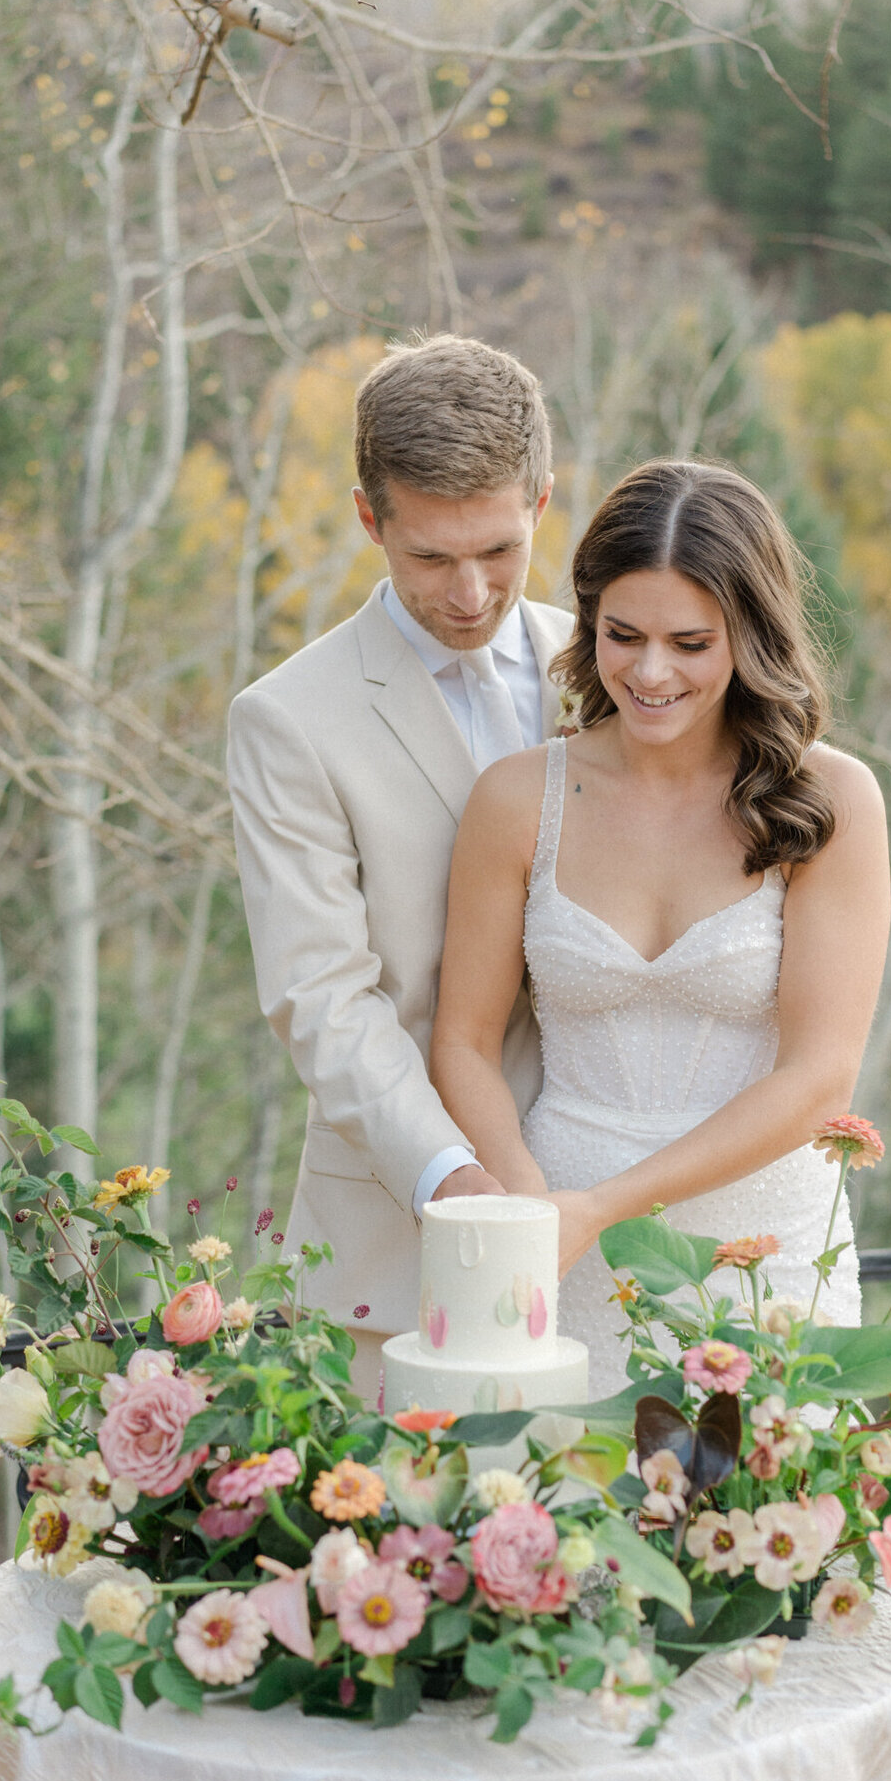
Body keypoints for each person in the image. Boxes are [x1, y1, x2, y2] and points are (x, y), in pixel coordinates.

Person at [430, 459, 891, 1397]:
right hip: (560, 1247)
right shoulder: (519, 799)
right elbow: (463, 1042)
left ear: (750, 637)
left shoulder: (832, 799)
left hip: (768, 1253)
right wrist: (533, 1207)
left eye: (690, 642)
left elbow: (819, 1078)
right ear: (588, 621)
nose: (649, 672)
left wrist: (604, 1209)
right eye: (622, 634)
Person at [227, 334, 573, 1396]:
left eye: (499, 552)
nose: (470, 593)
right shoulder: (288, 720)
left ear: (543, 500)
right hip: (396, 1240)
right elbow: (322, 998)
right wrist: (460, 1185)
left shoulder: (618, 670)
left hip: (617, 1223)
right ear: (370, 519)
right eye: (430, 558)